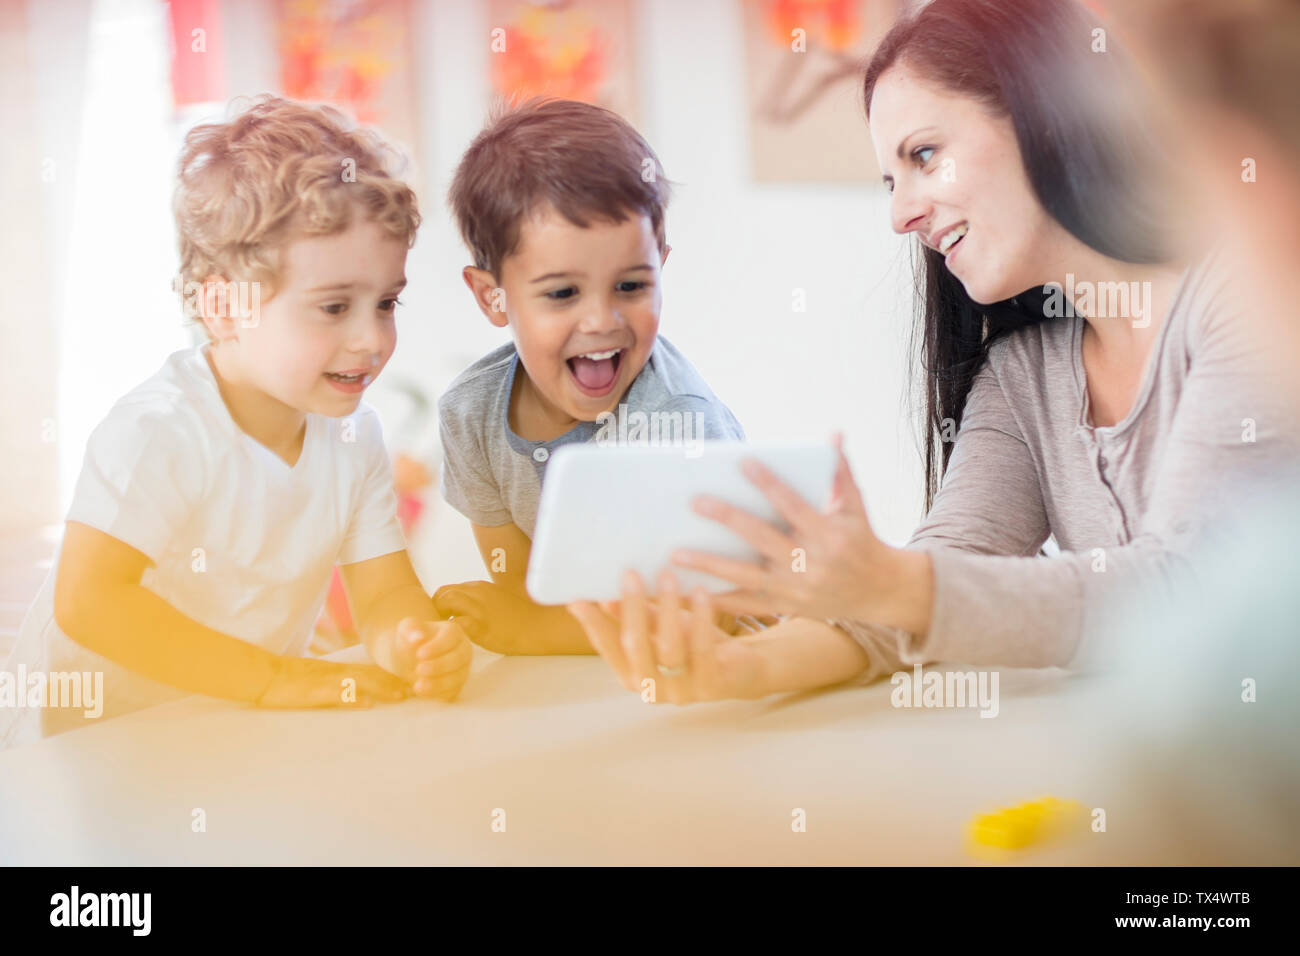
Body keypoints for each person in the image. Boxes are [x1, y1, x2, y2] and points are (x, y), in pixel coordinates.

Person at [569, 0, 1298, 703]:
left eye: (925, 155)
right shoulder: (1025, 375)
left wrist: (894, 582)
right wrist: (739, 667)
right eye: (891, 180)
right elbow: (947, 574)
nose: (899, 214)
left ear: (1044, 114)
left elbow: (1191, 589)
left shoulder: (1248, 299)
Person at [0, 96, 471, 748]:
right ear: (225, 307)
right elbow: (89, 602)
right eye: (334, 307)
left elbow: (385, 593)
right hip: (88, 754)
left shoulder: (354, 438)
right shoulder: (159, 431)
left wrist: (411, 642)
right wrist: (274, 680)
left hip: (228, 739)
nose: (371, 339)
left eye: (386, 302)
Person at [433, 98, 746, 655]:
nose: (602, 322)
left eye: (631, 286)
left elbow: (716, 611)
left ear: (661, 269)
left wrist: (533, 632)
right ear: (492, 296)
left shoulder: (678, 421)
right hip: (588, 667)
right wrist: (532, 624)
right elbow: (526, 588)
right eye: (562, 293)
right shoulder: (470, 413)